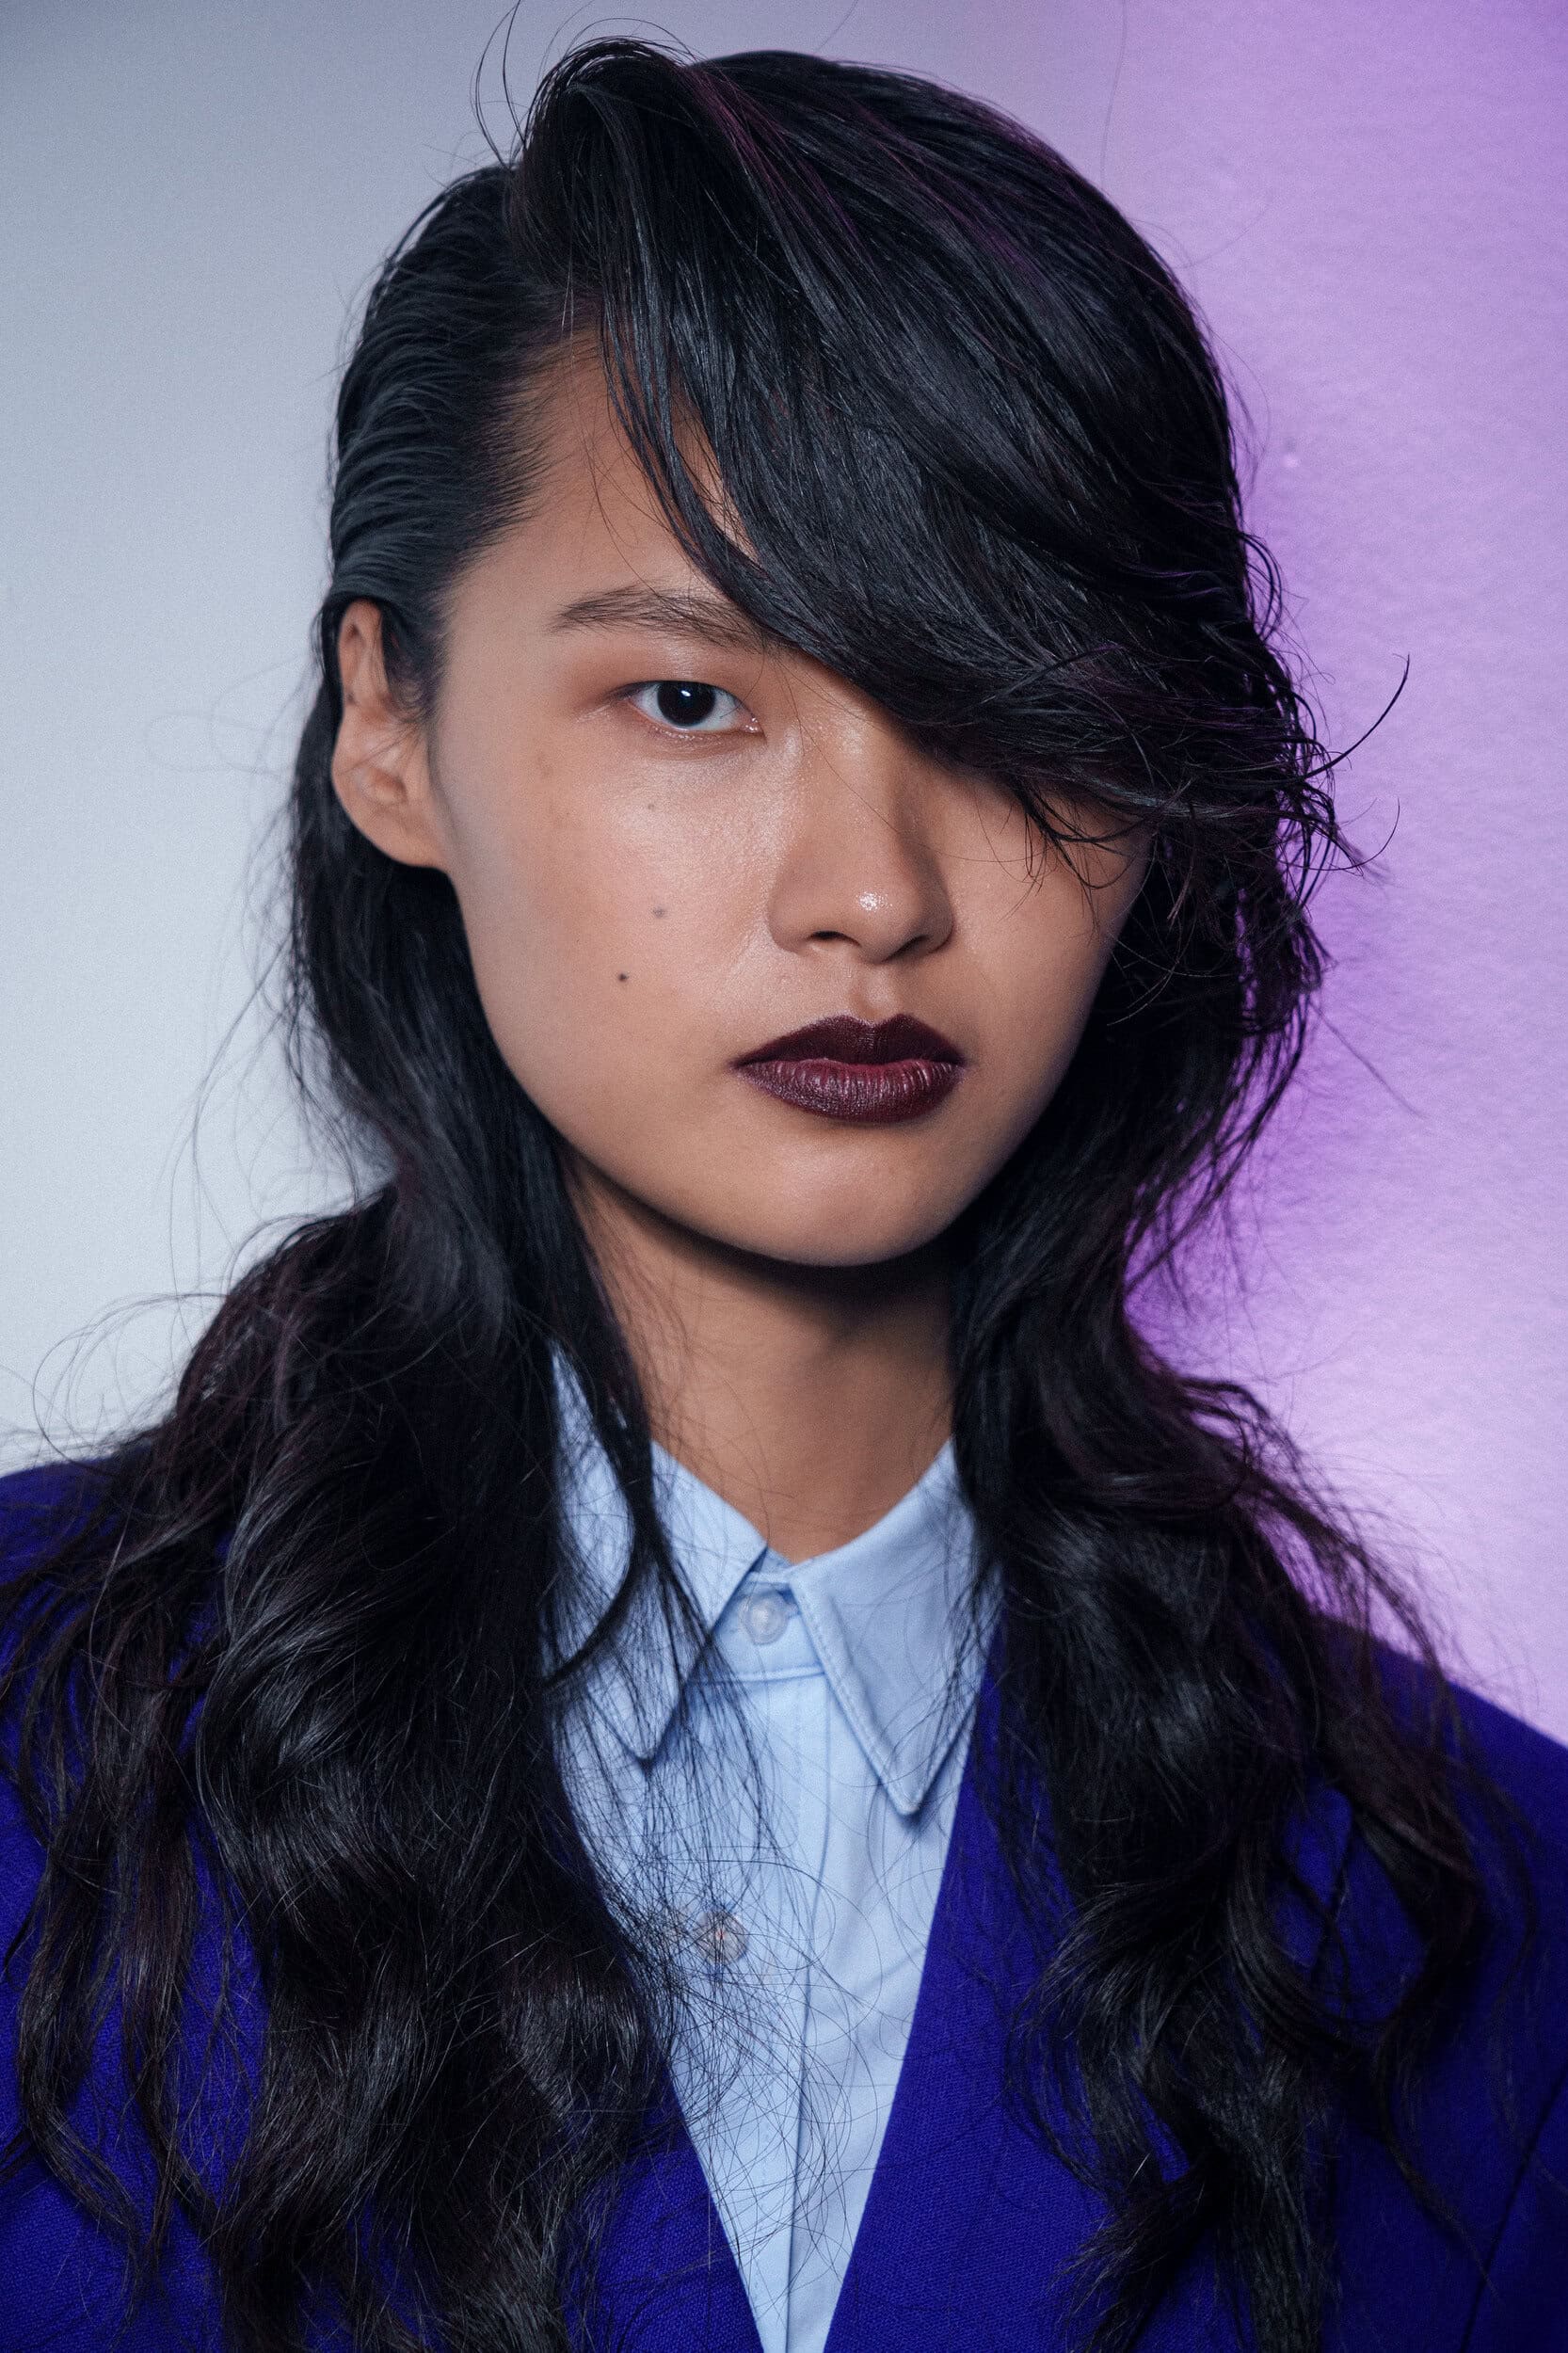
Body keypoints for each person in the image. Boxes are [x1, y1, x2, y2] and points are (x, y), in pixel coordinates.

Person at [1, 37, 1563, 2353]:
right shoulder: (34, 1728)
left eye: (1011, 712)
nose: (870, 893)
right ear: (391, 729)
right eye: (689, 701)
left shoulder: (1487, 1914)